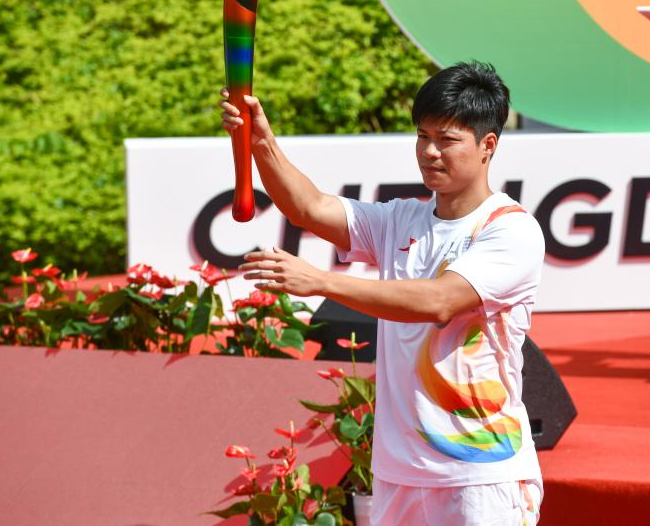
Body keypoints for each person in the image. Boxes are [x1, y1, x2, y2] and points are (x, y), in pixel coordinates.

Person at [219, 61, 544, 525]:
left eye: (446, 139)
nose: (430, 152)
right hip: (399, 473)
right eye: (422, 136)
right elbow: (309, 207)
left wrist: (321, 281)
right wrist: (260, 141)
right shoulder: (401, 220)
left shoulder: (511, 230)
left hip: (479, 474)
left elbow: (439, 302)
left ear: (487, 145)